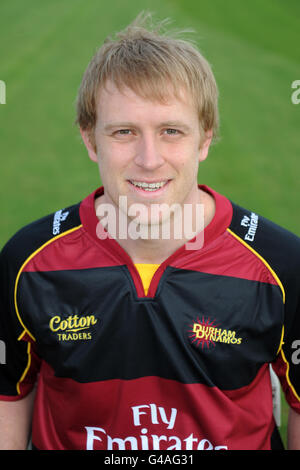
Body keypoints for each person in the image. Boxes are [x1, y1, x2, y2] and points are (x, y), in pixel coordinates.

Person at [0, 11, 300, 451]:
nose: (148, 158)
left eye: (171, 131)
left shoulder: (280, 264)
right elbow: (9, 394)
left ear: (205, 138)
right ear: (90, 139)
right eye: (124, 132)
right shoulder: (29, 261)